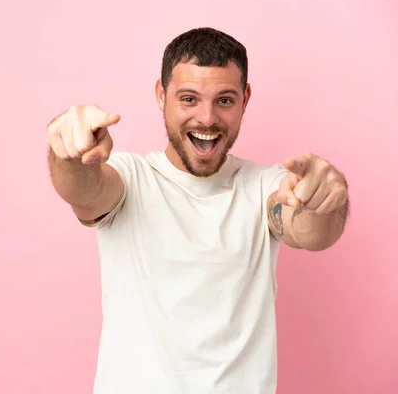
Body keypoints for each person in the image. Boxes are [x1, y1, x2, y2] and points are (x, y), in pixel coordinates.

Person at [46, 27, 349, 394]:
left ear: (245, 99)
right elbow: (84, 189)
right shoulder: (131, 179)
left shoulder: (265, 185)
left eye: (224, 100)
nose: (206, 119)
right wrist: (70, 153)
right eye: (189, 99)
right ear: (162, 95)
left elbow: (311, 231)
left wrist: (325, 200)